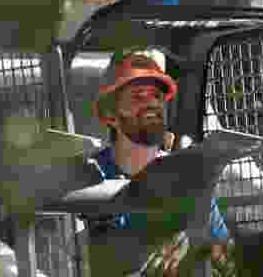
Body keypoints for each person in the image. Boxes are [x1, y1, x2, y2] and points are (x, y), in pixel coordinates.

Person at [79, 50, 229, 277]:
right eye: (139, 96)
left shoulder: (188, 179)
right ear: (110, 113)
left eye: (157, 96)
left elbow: (227, 262)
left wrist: (193, 244)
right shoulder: (86, 178)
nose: (152, 104)